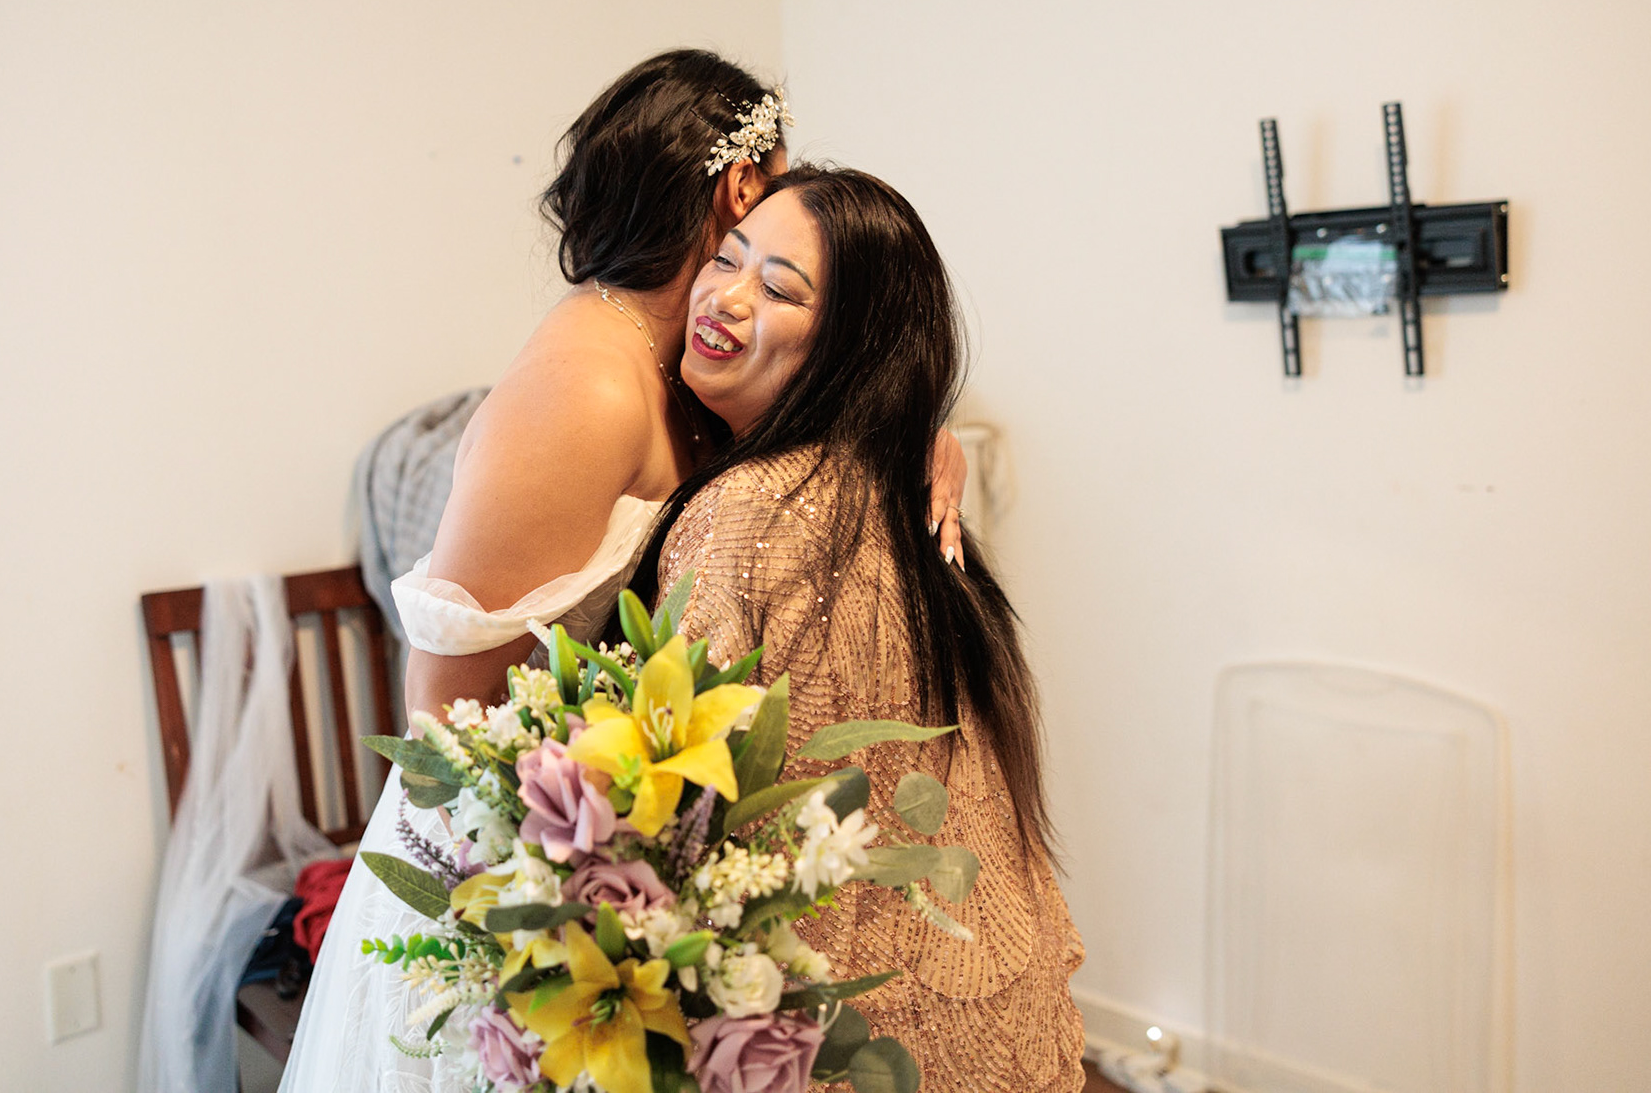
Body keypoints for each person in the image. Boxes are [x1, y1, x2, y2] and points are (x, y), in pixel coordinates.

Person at [279, 53, 968, 1091]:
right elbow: (442, 721)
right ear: (743, 183)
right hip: (516, 892)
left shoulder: (673, 355)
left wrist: (917, 434)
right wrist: (574, 920)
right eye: (774, 191)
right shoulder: (591, 385)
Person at [636, 166, 1088, 1091]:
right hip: (982, 997)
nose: (726, 298)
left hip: (840, 1028)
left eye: (780, 290)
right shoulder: (885, 483)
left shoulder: (750, 512)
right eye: (726, 259)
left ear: (848, 346)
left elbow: (688, 805)